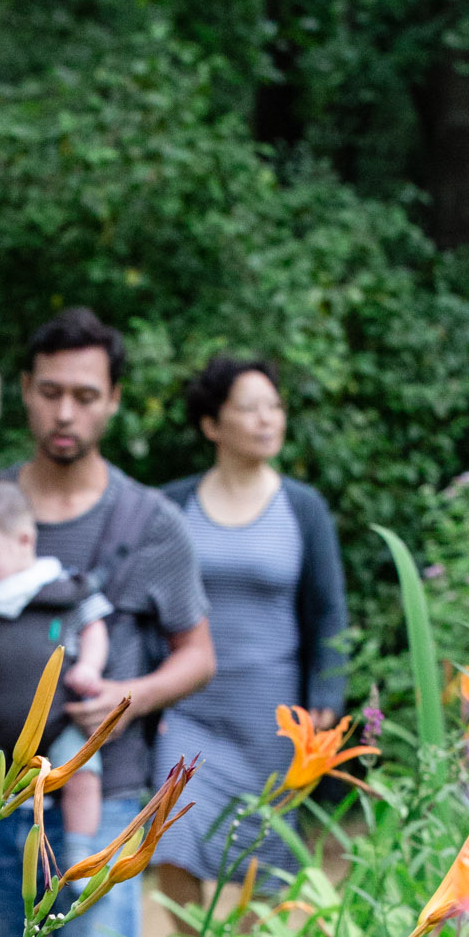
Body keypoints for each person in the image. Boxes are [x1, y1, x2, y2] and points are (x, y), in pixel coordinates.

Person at [0, 305, 215, 937]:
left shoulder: (151, 524)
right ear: (23, 389)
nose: (64, 411)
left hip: (101, 795)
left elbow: (198, 655)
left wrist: (124, 697)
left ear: (112, 400)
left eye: (84, 395)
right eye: (50, 391)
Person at [154, 353, 349, 908]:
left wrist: (326, 700)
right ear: (212, 425)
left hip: (276, 722)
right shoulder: (172, 506)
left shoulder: (303, 508)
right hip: (190, 712)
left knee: (270, 866)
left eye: (275, 407)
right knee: (169, 838)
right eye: (249, 408)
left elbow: (330, 614)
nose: (267, 420)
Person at [0, 476, 111, 837]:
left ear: (24, 541)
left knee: (82, 772)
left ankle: (81, 852)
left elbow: (94, 628)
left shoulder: (62, 590)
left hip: (61, 724)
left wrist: (89, 668)